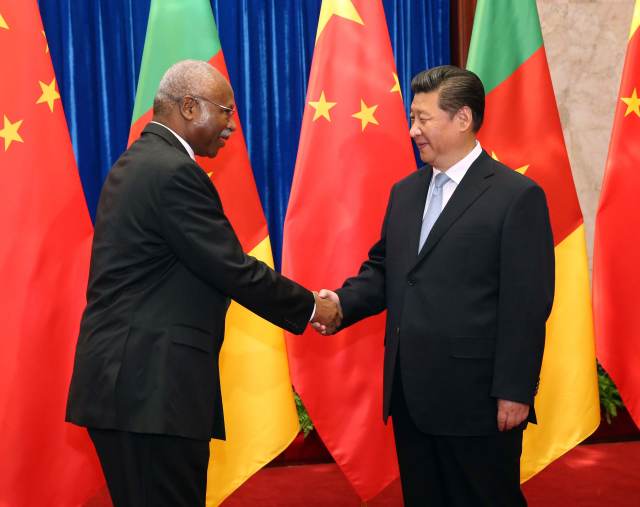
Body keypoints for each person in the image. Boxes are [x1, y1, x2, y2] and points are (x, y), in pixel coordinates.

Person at [66, 60, 341, 507]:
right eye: (226, 112)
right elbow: (232, 268)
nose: (232, 126)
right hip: (151, 391)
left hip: (130, 388)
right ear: (189, 107)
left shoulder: (138, 162)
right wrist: (313, 306)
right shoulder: (173, 172)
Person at [315, 65, 555, 506]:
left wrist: (515, 390)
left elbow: (527, 304)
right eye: (412, 118)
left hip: (478, 401)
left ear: (463, 118)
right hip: (411, 396)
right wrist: (341, 303)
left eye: (423, 119)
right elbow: (386, 269)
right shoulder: (405, 192)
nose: (413, 131)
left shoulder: (516, 196)